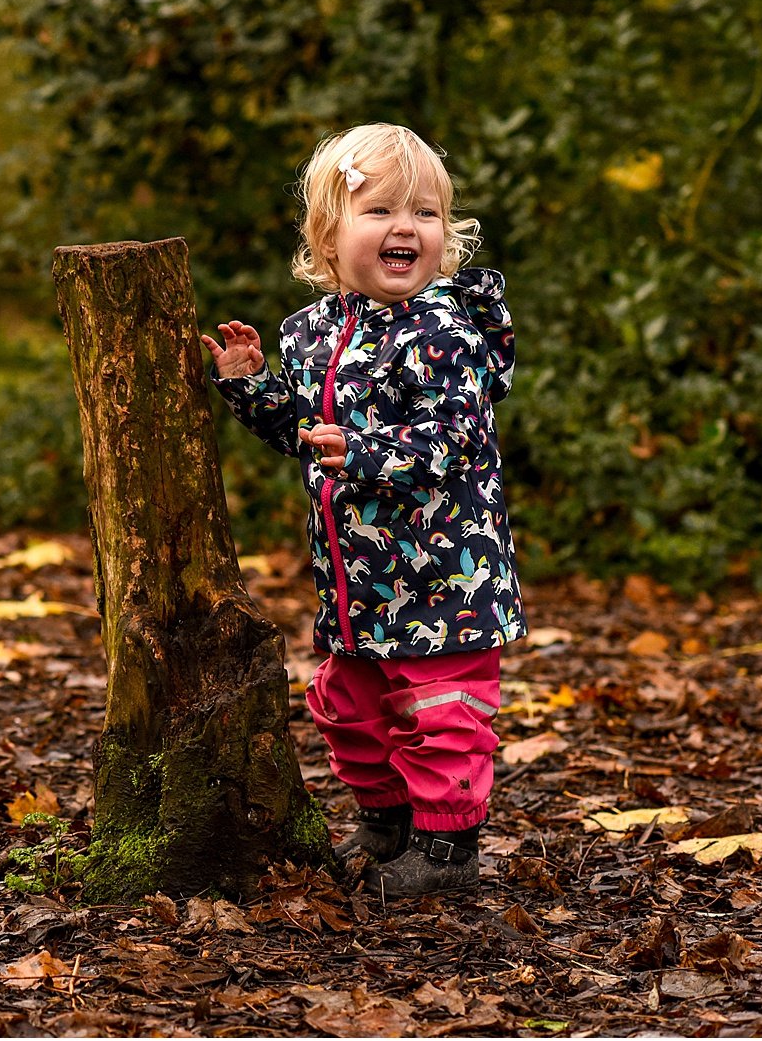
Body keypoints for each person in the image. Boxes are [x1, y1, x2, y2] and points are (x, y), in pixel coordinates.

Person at [200, 122, 526, 898]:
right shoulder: (313, 335)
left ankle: (447, 851)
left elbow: (454, 434)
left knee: (442, 713)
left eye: (425, 213)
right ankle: (385, 822)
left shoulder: (444, 332)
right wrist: (252, 384)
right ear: (328, 233)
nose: (406, 227)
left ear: (446, 236)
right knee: (348, 705)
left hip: (448, 577)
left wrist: (371, 451)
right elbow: (308, 437)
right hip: (357, 584)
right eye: (379, 211)